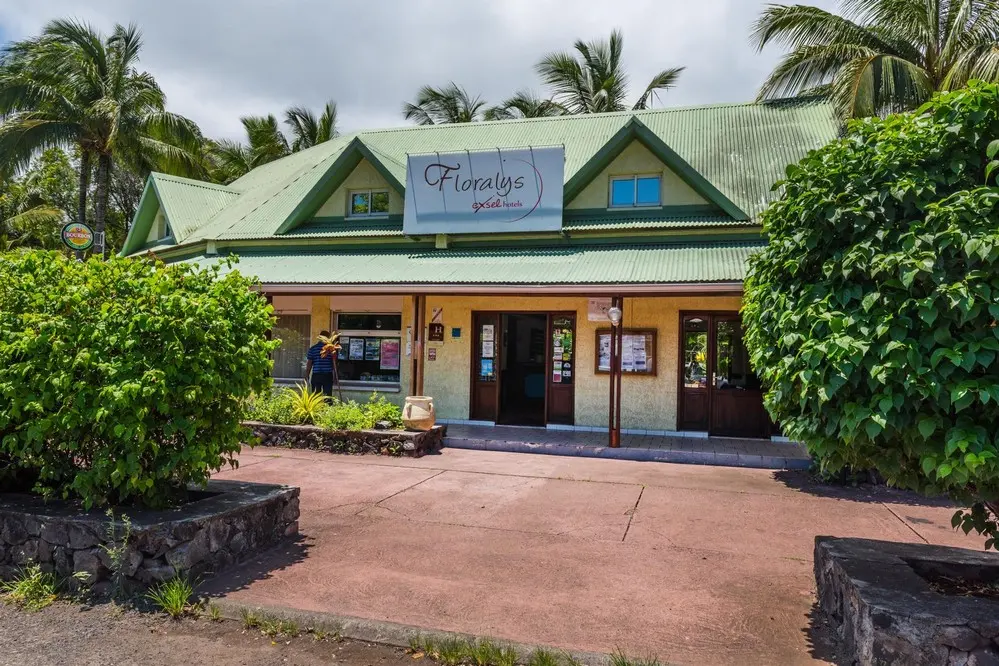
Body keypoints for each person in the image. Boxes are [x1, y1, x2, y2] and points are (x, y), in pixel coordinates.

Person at [305, 330, 335, 397]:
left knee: (316, 397)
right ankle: (328, 407)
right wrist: (335, 375)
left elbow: (309, 364)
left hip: (316, 375)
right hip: (327, 375)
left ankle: (317, 407)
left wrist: (307, 375)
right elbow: (333, 363)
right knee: (327, 397)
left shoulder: (313, 349)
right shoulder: (331, 349)